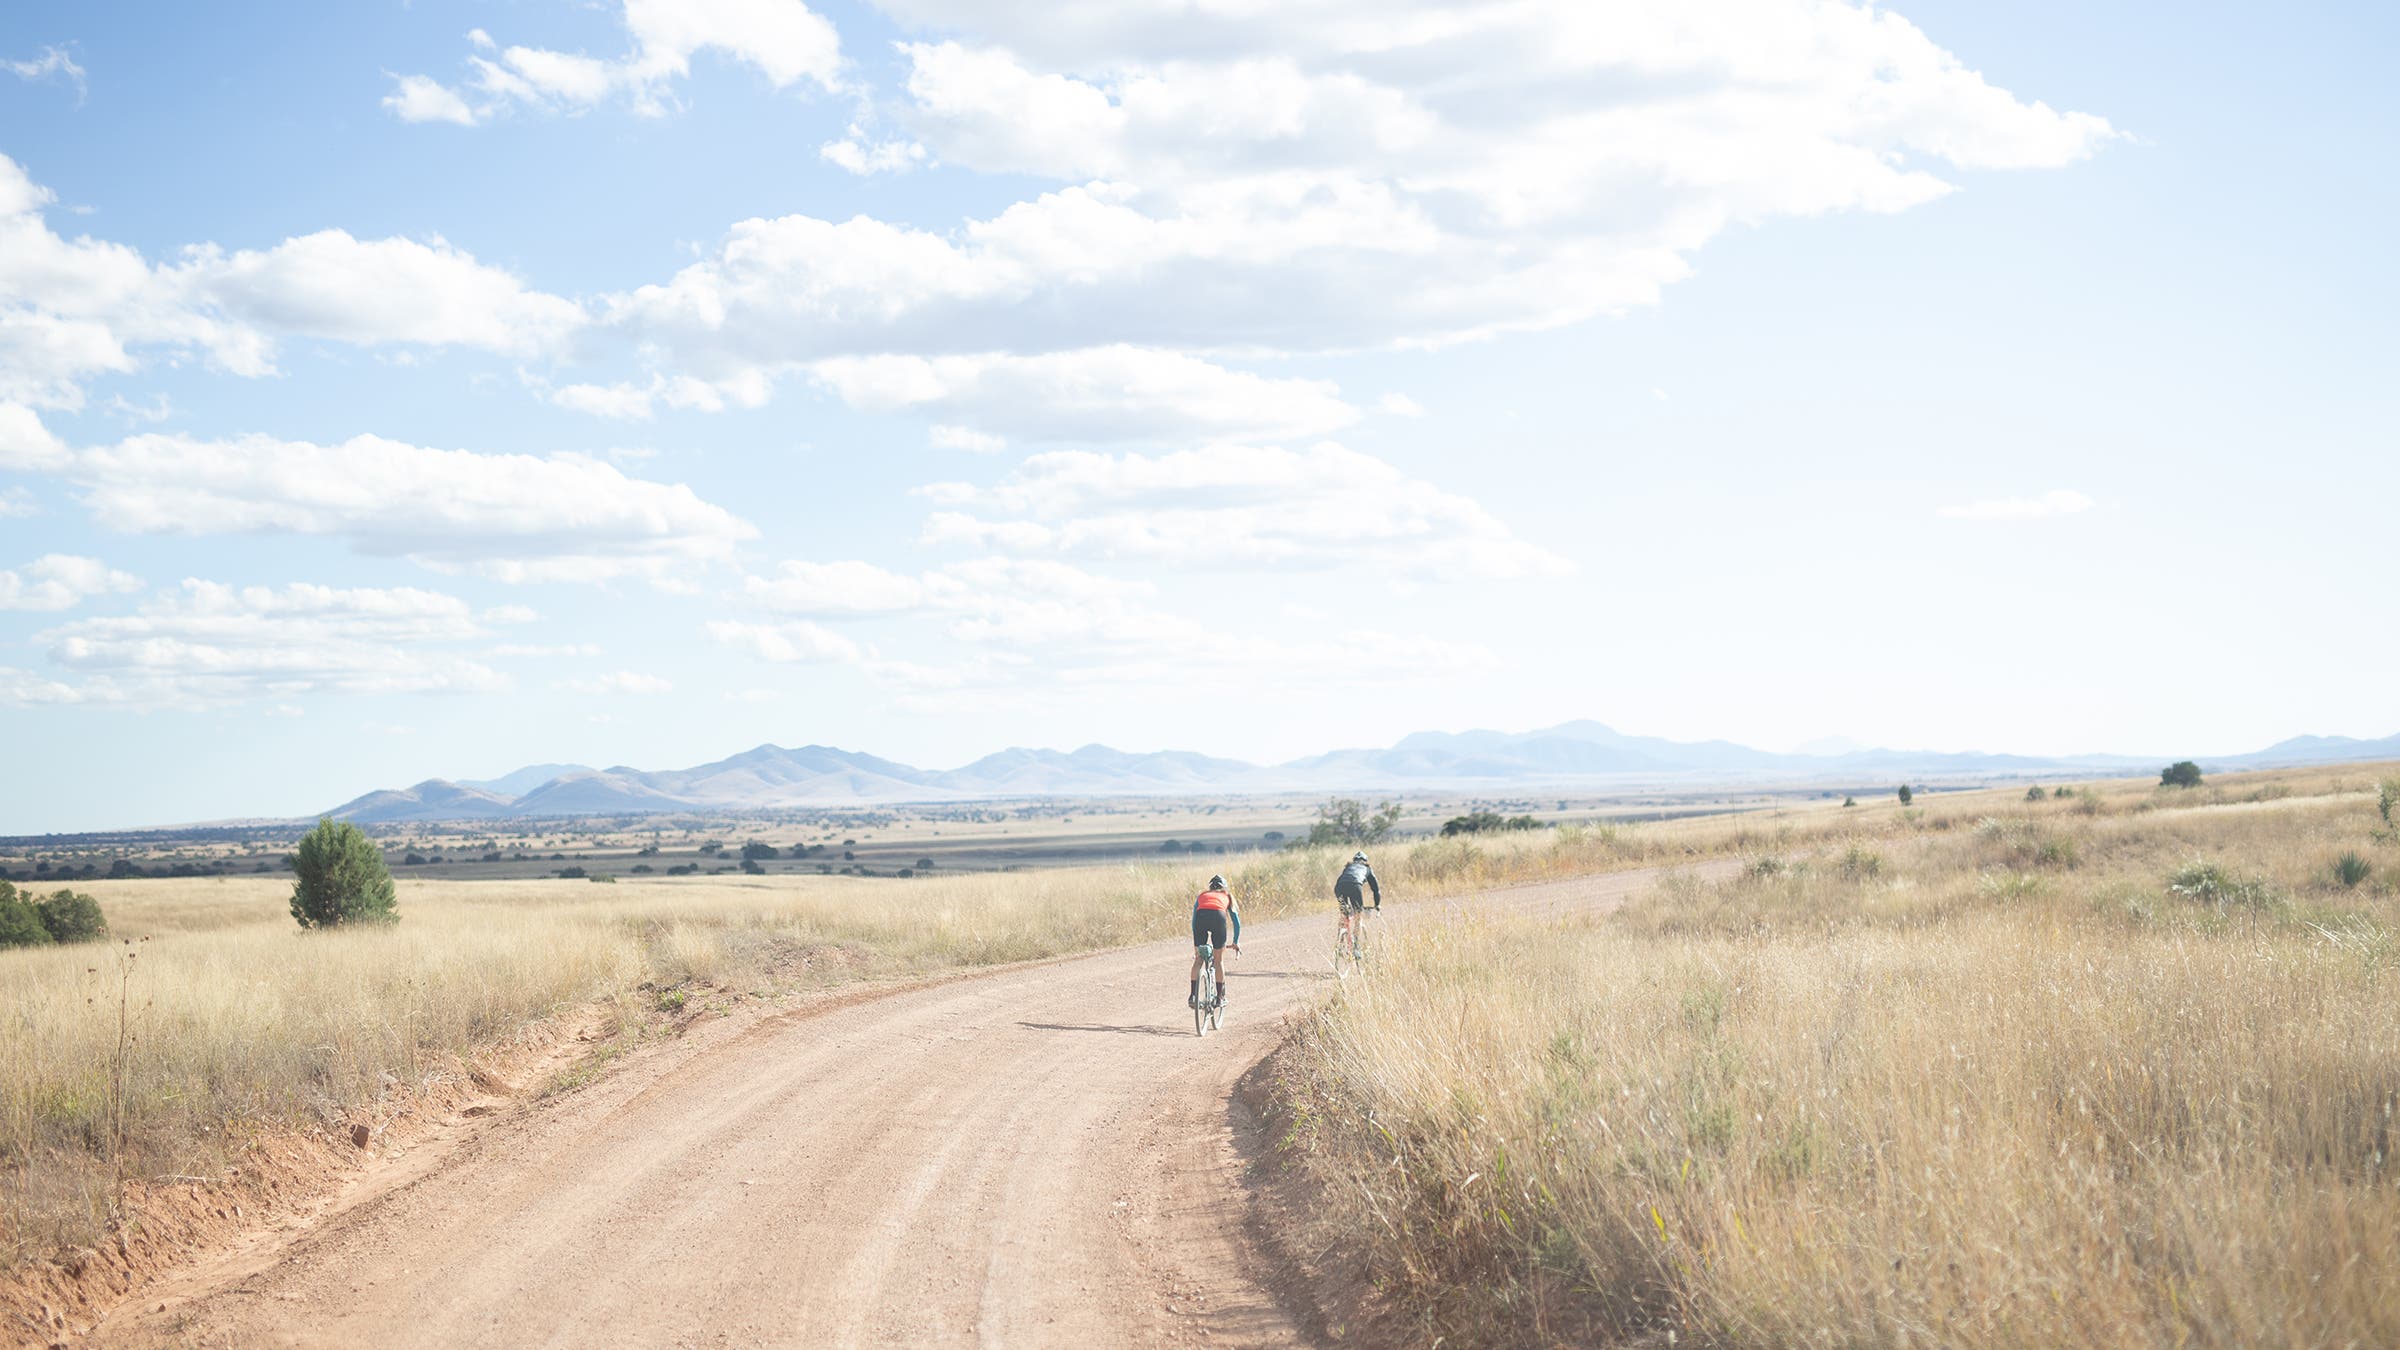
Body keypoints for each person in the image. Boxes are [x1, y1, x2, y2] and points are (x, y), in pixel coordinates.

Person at [1190, 874, 1239, 1009]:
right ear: (1224, 888)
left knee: (1198, 960)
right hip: (1218, 918)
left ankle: (1193, 996)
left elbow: (1193, 921)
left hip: (1201, 919)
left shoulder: (1202, 896)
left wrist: (1196, 946)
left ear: (1210, 887)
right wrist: (1235, 941)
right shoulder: (1227, 896)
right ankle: (1219, 998)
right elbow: (1236, 922)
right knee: (1218, 961)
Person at [1334, 851, 1380, 957]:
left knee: (1344, 913)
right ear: (1365, 861)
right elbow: (1376, 889)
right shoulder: (1367, 868)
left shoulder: (1348, 867)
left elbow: (1342, 880)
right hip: (1355, 886)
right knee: (1358, 916)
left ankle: (1339, 944)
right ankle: (1356, 947)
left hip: (1339, 887)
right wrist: (1377, 905)